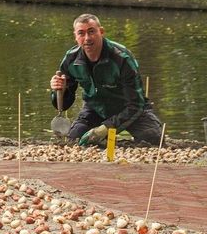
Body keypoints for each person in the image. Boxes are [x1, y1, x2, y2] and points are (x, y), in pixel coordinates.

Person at [49, 13, 164, 146]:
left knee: (152, 138)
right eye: (81, 33)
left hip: (129, 109)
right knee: (74, 141)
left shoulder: (122, 58)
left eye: (91, 32)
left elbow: (136, 104)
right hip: (94, 109)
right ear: (75, 36)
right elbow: (62, 106)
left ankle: (116, 143)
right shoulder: (70, 59)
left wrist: (105, 128)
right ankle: (107, 143)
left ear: (101, 32)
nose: (87, 38)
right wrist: (58, 90)